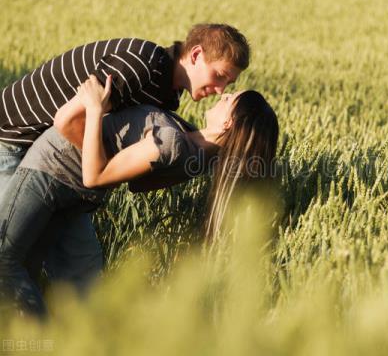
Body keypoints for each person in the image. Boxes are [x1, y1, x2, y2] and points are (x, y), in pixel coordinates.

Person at [0, 23, 250, 294]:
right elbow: (65, 121)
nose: (221, 90)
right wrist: (104, 167)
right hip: (13, 139)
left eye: (229, 84)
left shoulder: (167, 96)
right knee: (9, 261)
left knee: (71, 270)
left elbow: (135, 175)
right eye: (220, 75)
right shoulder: (141, 64)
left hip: (57, 166)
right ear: (196, 55)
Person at [0, 75, 279, 318]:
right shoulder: (196, 153)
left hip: (52, 172)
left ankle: (40, 343)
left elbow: (94, 176)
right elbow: (137, 184)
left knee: (4, 261)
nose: (223, 94)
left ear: (229, 122)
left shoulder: (175, 143)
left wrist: (96, 109)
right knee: (24, 268)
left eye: (230, 97)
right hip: (70, 190)